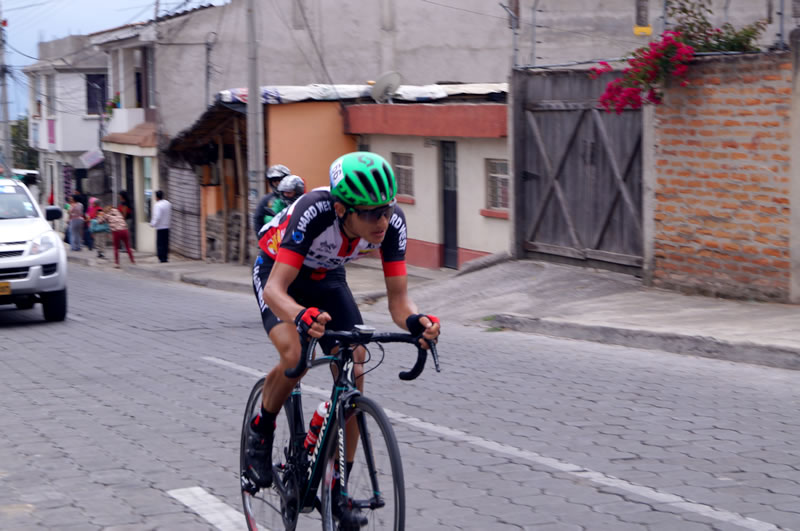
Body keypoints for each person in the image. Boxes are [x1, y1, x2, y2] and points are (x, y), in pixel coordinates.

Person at [245, 152, 441, 527]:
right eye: (369, 214)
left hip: (328, 278)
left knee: (356, 361)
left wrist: (417, 322)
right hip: (280, 273)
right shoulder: (313, 210)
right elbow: (275, 290)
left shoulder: (392, 224)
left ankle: (339, 489)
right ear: (341, 209)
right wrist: (300, 315)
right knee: (294, 353)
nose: (381, 221)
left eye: (385, 210)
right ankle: (261, 429)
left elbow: (399, 302)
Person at [252, 164, 291, 237]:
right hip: (272, 241)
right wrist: (261, 238)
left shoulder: (294, 197)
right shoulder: (266, 199)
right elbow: (257, 219)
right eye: (274, 181)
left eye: (279, 180)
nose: (277, 183)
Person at [150, 190, 172, 263]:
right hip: (167, 226)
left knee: (160, 243)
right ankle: (165, 257)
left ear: (157, 197)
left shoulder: (157, 205)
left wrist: (153, 224)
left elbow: (157, 217)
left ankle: (161, 258)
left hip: (160, 227)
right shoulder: (168, 203)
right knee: (165, 243)